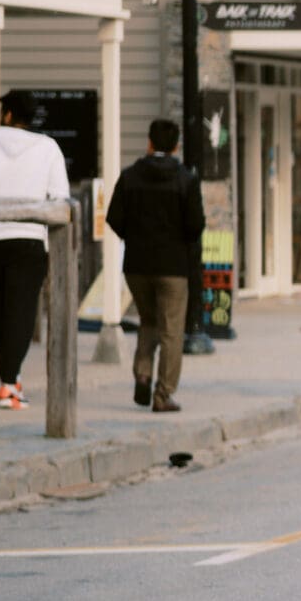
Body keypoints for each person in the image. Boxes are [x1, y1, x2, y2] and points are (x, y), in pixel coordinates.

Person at [0, 90, 70, 411]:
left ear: (8, 115)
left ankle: (11, 378)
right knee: (22, 310)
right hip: (29, 237)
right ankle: (9, 382)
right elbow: (59, 198)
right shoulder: (47, 148)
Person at [104, 118, 204, 413]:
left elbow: (114, 218)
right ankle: (163, 393)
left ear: (149, 143)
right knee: (172, 329)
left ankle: (143, 373)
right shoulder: (186, 180)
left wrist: (134, 237)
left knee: (148, 320)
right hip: (173, 265)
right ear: (176, 146)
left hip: (137, 263)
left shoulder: (130, 176)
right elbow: (196, 225)